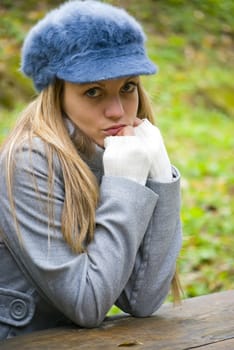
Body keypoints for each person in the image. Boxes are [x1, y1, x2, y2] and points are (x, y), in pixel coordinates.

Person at [0, 0, 182, 340]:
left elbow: (143, 299)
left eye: (128, 87)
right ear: (57, 94)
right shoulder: (27, 161)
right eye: (93, 91)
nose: (117, 111)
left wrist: (160, 176)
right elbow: (88, 304)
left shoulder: (112, 147)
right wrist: (125, 183)